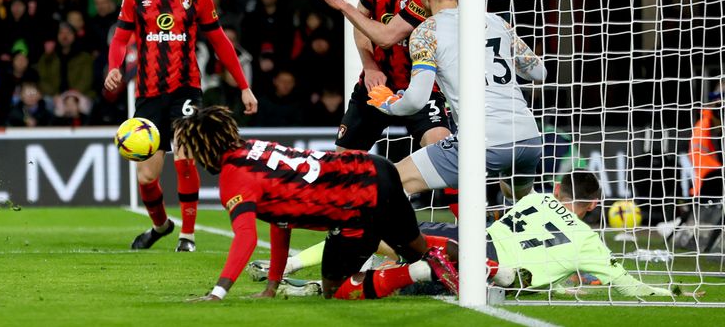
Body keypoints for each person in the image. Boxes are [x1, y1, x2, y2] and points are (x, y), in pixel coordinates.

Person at [175, 106, 458, 302]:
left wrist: (218, 292)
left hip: (354, 204)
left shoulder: (234, 177)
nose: (195, 160)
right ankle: (495, 270)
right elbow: (280, 221)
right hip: (378, 169)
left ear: (205, 147)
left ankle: (416, 272)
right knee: (417, 246)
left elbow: (246, 237)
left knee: (334, 291)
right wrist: (272, 285)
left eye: (194, 151)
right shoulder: (253, 148)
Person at [263, 171, 678, 299]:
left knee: (376, 232)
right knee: (409, 279)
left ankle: (291, 267)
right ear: (590, 208)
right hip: (489, 273)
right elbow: (624, 282)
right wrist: (670, 294)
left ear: (556, 190)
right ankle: (313, 288)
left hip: (468, 238)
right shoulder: (589, 240)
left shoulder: (533, 199)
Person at [104, 0, 258, 252]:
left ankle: (187, 236)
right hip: (148, 93)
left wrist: (244, 86)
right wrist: (115, 67)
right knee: (146, 176)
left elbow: (221, 43)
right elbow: (120, 38)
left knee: (185, 159)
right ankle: (161, 226)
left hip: (186, 89)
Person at [345, 0, 546, 200]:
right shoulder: (496, 23)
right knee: (518, 195)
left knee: (386, 183)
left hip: (484, 142)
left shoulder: (427, 32)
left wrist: (387, 103)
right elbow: (539, 72)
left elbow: (417, 100)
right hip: (529, 138)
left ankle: (381, 239)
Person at [309, 0, 452, 151]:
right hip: (377, 84)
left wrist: (343, 5)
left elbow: (387, 37)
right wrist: (370, 65)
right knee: (344, 162)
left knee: (439, 148)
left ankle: (412, 186)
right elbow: (361, 24)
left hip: (421, 86)